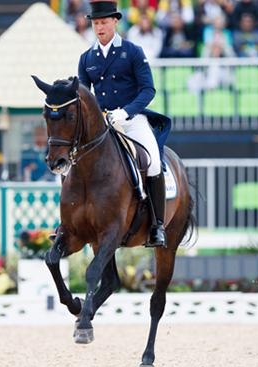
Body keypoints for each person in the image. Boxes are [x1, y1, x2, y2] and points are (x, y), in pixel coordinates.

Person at [77, 0, 170, 247]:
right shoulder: (87, 58)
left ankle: (157, 226)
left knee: (152, 162)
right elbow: (84, 95)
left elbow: (148, 90)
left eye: (104, 22)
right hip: (104, 123)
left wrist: (126, 112)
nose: (99, 27)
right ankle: (71, 222)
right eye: (96, 23)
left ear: (115, 21)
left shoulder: (133, 51)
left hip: (131, 120)